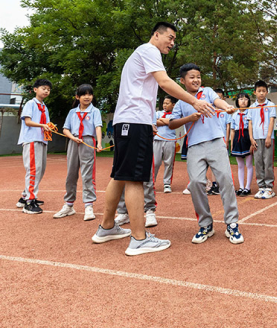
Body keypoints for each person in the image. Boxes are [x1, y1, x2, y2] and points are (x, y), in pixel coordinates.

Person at [91, 22, 216, 256]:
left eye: (174, 39)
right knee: (135, 179)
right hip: (134, 122)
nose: (172, 42)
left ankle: (107, 227)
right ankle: (139, 239)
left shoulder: (140, 53)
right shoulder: (149, 51)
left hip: (128, 122)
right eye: (169, 37)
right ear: (156, 35)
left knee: (120, 175)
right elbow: (165, 82)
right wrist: (194, 101)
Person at [168, 63, 243, 244]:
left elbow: (219, 102)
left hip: (216, 142)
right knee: (195, 183)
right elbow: (172, 123)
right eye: (192, 77)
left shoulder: (207, 91)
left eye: (198, 77)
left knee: (225, 180)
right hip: (194, 147)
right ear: (182, 81)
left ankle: (232, 224)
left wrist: (227, 107)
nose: (196, 80)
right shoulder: (180, 101)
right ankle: (206, 225)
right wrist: (189, 118)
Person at [54, 84, 103, 221]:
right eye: (84, 94)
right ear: (77, 97)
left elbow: (98, 127)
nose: (87, 97)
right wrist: (73, 138)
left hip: (87, 143)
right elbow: (65, 129)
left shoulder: (95, 111)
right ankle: (69, 205)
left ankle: (88, 206)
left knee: (87, 175)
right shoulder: (72, 112)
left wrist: (98, 143)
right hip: (73, 142)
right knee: (71, 174)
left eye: (90, 94)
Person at [16, 78, 52, 214]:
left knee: (40, 170)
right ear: (36, 89)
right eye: (44, 88)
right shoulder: (30, 104)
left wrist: (49, 127)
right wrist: (43, 125)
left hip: (42, 140)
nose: (46, 91)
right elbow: (28, 121)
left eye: (48, 90)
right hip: (31, 139)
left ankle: (25, 196)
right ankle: (29, 202)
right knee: (33, 170)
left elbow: (46, 124)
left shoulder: (44, 107)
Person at [248, 80, 277, 199]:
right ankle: (261, 187)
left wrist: (269, 136)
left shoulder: (271, 105)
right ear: (255, 92)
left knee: (267, 162)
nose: (261, 93)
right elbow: (250, 123)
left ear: (267, 92)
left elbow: (271, 121)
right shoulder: (251, 107)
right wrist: (251, 138)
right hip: (256, 138)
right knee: (258, 162)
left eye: (263, 91)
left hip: (267, 138)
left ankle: (269, 187)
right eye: (259, 91)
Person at [230, 93, 253, 196]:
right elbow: (233, 130)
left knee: (248, 164)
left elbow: (251, 128)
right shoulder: (234, 115)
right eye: (241, 99)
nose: (243, 101)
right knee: (240, 165)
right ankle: (241, 187)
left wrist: (252, 141)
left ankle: (247, 187)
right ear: (237, 102)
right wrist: (231, 143)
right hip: (237, 138)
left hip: (247, 136)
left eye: (245, 99)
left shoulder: (250, 113)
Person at [154, 95, 178, 194]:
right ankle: (151, 182)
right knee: (155, 162)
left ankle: (167, 183)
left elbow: (173, 122)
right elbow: (154, 122)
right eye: (164, 103)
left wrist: (163, 121)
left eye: (167, 103)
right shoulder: (158, 113)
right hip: (157, 140)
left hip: (170, 140)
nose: (165, 105)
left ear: (173, 105)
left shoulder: (176, 114)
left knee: (169, 163)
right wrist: (166, 121)